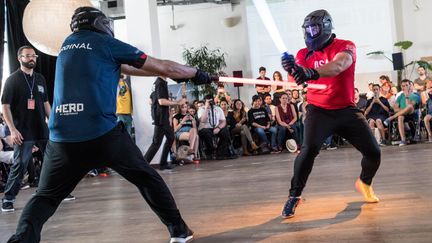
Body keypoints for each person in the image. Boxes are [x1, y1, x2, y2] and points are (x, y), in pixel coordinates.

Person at [6, 7, 214, 243]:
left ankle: (22, 240)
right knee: (147, 179)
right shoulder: (104, 43)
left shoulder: (67, 46)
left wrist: (177, 75)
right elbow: (163, 67)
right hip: (102, 134)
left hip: (62, 139)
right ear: (102, 24)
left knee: (45, 197)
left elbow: (123, 67)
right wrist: (196, 73)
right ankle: (178, 231)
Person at [280, 9, 381, 219]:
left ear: (325, 26)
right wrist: (293, 70)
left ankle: (364, 182)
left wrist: (311, 72)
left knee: (373, 153)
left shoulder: (345, 46)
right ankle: (294, 196)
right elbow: (296, 81)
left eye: (314, 27)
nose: (310, 32)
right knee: (308, 151)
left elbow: (338, 65)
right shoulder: (303, 53)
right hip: (319, 111)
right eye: (307, 28)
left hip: (346, 110)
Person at [1, 46, 54, 213]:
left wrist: (52, 123)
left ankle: (53, 193)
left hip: (41, 129)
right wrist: (13, 130)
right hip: (23, 131)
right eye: (28, 56)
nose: (32, 58)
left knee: (52, 163)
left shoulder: (40, 79)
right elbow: (5, 106)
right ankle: (8, 199)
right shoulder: (12, 80)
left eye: (34, 56)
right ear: (19, 58)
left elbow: (45, 103)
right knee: (20, 165)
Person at [145, 76, 186, 170]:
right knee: (156, 143)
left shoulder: (158, 83)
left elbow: (150, 100)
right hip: (160, 118)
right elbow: (161, 101)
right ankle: (144, 166)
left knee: (171, 137)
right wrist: (177, 102)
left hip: (162, 117)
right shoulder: (160, 83)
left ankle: (163, 164)